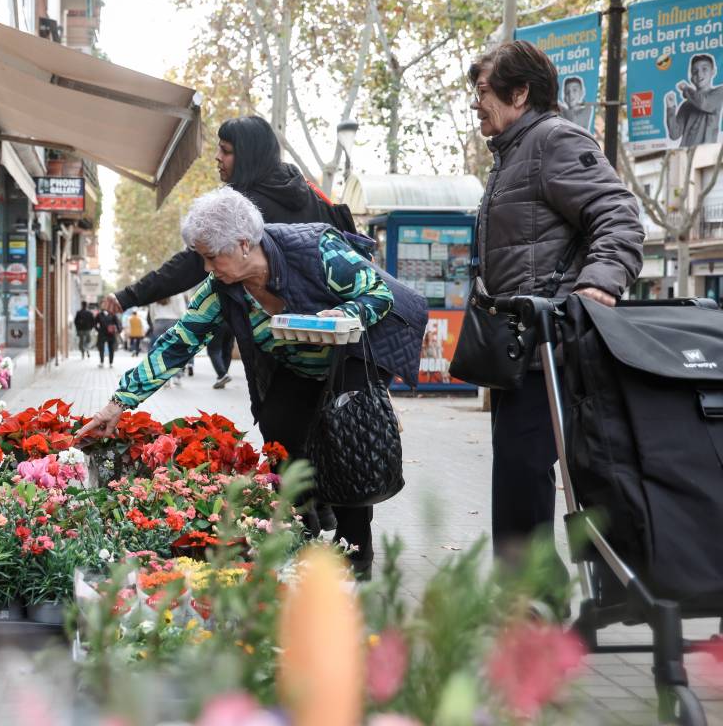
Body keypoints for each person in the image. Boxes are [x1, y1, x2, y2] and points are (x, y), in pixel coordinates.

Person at [76, 188, 427, 579]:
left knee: (346, 441)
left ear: (244, 244)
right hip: (296, 364)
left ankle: (355, 552)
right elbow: (179, 342)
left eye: (212, 256)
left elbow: (376, 293)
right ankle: (299, 538)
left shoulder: (315, 248)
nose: (208, 268)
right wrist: (118, 403)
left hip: (351, 358)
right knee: (279, 431)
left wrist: (342, 313)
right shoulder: (223, 288)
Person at [468, 40, 644, 575]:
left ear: (519, 92)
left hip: (553, 345)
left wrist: (599, 286)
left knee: (526, 473)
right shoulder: (514, 153)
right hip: (522, 347)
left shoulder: (552, 140)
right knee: (521, 475)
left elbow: (619, 214)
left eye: (483, 91)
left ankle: (532, 608)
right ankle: (531, 603)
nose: (476, 103)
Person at [102, 115, 356, 317]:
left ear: (246, 156)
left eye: (226, 151)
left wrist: (130, 296)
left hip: (285, 326)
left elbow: (191, 264)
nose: (217, 157)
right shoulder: (299, 187)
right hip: (330, 319)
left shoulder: (243, 206)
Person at [664, 53, 723, 148]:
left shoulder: (719, 92)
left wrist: (686, 89)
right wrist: (671, 108)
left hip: (707, 152)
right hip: (686, 153)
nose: (699, 74)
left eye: (704, 69)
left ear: (713, 71)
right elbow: (674, 135)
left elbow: (704, 103)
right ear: (691, 78)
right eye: (695, 71)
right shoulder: (686, 105)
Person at [149, 293, 188, 385]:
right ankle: (177, 377)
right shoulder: (178, 292)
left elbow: (151, 312)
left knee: (162, 352)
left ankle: (164, 378)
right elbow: (182, 310)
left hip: (159, 322)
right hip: (174, 321)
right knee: (176, 351)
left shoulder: (155, 292)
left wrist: (154, 322)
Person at [94, 304, 121, 368]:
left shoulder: (113, 314)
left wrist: (119, 330)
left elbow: (117, 323)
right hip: (102, 334)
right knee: (101, 348)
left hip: (111, 334)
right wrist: (98, 330)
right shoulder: (99, 315)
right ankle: (101, 362)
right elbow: (94, 323)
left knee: (111, 348)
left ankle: (111, 362)